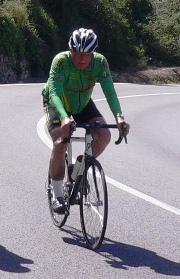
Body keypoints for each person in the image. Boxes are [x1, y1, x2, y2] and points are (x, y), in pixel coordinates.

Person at [42, 27, 130, 213]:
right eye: (77, 53)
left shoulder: (100, 62)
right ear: (70, 50)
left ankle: (79, 169)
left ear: (93, 53)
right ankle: (57, 195)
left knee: (104, 135)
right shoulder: (61, 61)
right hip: (57, 103)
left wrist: (119, 116)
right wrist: (64, 118)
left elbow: (110, 91)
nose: (82, 58)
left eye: (87, 54)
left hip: (82, 103)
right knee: (60, 142)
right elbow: (54, 93)